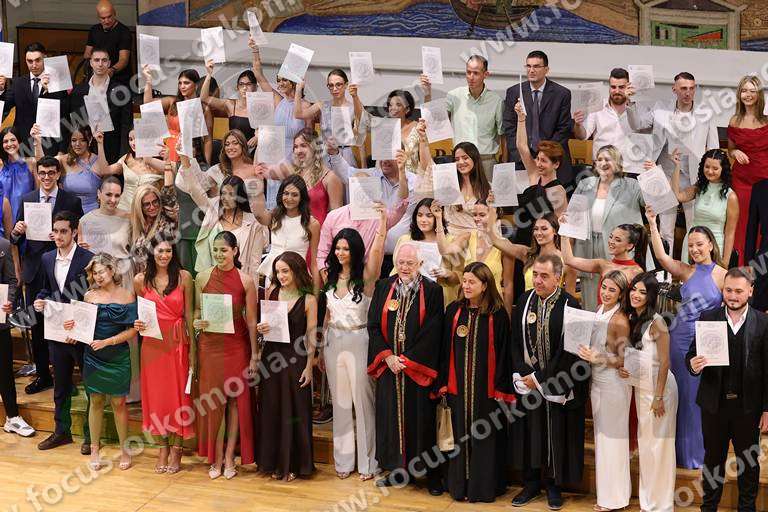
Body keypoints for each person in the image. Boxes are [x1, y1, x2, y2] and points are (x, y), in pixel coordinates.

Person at [646, 207, 725, 469]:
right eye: (690, 245)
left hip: (703, 342)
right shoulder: (686, 271)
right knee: (678, 396)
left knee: (694, 400)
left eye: (699, 244)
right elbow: (661, 256)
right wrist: (652, 223)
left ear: (711, 244)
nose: (694, 249)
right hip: (678, 339)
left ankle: (695, 455)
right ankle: (676, 455)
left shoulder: (722, 275)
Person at [687, 267, 768, 512]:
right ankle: (708, 508)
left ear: (750, 291)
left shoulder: (763, 322)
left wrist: (767, 409)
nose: (733, 296)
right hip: (714, 405)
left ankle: (747, 509)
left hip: (748, 408)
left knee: (748, 463)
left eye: (739, 291)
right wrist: (692, 365)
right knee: (713, 461)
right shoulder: (708, 318)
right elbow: (692, 355)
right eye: (728, 290)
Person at [510, 254, 586, 510]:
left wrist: (540, 378)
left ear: (558, 278)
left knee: (555, 433)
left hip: (555, 383)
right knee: (530, 432)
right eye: (535, 275)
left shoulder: (572, 305)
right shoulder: (524, 300)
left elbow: (570, 351)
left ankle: (554, 486)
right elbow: (515, 341)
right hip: (528, 382)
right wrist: (523, 373)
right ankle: (531, 484)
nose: (538, 280)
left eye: (544, 276)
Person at [367, 243, 444, 494]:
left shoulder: (432, 291)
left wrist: (408, 360)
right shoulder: (383, 287)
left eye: (410, 263)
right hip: (390, 369)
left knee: (421, 421)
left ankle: (430, 476)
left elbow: (433, 331)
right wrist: (388, 356)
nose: (405, 267)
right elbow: (373, 325)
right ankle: (397, 470)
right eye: (401, 263)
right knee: (390, 420)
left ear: (420, 264)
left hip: (416, 370)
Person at [438, 262, 514, 503]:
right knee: (459, 436)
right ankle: (459, 486)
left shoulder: (498, 315)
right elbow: (444, 350)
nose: (466, 286)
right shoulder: (453, 311)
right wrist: (443, 383)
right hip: (457, 389)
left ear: (484, 285)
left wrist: (501, 389)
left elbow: (504, 354)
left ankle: (483, 488)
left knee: (485, 437)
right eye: (464, 281)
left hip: (486, 392)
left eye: (472, 282)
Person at [322, 204, 386, 481]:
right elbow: (326, 315)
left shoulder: (367, 277)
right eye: (338, 248)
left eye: (346, 248)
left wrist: (382, 222)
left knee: (363, 402)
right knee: (340, 403)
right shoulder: (328, 276)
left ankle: (369, 463)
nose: (340, 252)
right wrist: (319, 348)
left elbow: (378, 250)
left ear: (355, 251)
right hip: (332, 340)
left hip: (359, 339)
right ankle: (344, 462)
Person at [11, 157, 84, 396]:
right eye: (42, 173)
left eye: (51, 173)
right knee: (37, 325)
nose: (46, 177)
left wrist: (65, 238)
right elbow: (15, 238)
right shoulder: (27, 199)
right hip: (35, 271)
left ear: (58, 174)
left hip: (64, 270)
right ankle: (43, 375)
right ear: (37, 174)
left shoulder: (71, 200)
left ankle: (66, 378)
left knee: (65, 321)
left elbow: (79, 232)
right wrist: (17, 231)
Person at [626, 71, 719, 253]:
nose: (688, 93)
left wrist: (710, 179)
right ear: (674, 89)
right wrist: (630, 101)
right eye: (683, 88)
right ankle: (664, 268)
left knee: (694, 228)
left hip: (694, 178)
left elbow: (714, 149)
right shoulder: (661, 109)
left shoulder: (706, 114)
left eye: (691, 88)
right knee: (665, 229)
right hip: (666, 175)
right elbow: (637, 124)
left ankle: (693, 266)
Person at [194, 231, 258, 479]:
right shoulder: (202, 277)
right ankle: (216, 456)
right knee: (214, 402)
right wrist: (197, 322)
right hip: (209, 346)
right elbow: (196, 310)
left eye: (224, 250)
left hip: (236, 346)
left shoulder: (246, 281)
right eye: (216, 250)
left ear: (235, 251)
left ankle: (230, 456)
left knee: (234, 401)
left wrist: (254, 355)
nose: (219, 254)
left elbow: (251, 321)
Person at [32, 211, 93, 453]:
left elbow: (92, 298)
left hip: (81, 334)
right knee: (61, 386)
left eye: (63, 231)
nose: (58, 236)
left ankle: (90, 436)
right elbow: (46, 290)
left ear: (74, 232)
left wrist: (78, 329)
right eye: (55, 231)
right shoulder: (47, 258)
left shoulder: (88, 258)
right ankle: (61, 432)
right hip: (57, 331)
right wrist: (39, 301)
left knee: (90, 387)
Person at [134, 235, 195, 474]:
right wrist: (137, 323)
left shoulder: (184, 277)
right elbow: (139, 314)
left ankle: (177, 449)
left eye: (168, 251)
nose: (164, 255)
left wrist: (193, 352)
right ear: (151, 253)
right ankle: (162, 448)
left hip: (178, 344)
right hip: (152, 346)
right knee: (158, 398)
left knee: (178, 397)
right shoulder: (140, 280)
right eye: (160, 251)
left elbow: (189, 315)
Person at [256, 251, 318, 481]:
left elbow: (311, 336)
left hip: (295, 359)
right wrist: (261, 328)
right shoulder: (272, 292)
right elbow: (265, 326)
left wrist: (309, 366)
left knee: (294, 412)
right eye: (278, 271)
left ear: (296, 271)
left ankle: (293, 465)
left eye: (285, 271)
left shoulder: (309, 300)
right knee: (271, 409)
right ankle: (271, 462)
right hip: (271, 357)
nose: (281, 276)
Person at [622, 272, 678, 512]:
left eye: (642, 292)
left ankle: (661, 504)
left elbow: (665, 363)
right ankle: (648, 502)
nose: (636, 294)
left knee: (660, 448)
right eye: (634, 289)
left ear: (651, 296)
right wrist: (625, 370)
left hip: (660, 390)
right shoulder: (632, 318)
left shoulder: (657, 322)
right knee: (646, 446)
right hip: (641, 388)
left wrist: (658, 396)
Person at [576, 271, 631, 511]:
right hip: (597, 382)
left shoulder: (619, 320)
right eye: (604, 287)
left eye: (612, 290)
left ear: (621, 294)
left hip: (614, 385)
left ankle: (614, 498)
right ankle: (609, 495)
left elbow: (623, 359)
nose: (606, 293)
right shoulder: (599, 309)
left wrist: (597, 357)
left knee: (613, 442)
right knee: (603, 441)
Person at [77, 253, 137, 470]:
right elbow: (82, 326)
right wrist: (71, 329)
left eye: (101, 271)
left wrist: (108, 342)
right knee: (95, 401)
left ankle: (125, 450)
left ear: (111, 271)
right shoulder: (89, 296)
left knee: (119, 403)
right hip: (93, 356)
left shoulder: (127, 296)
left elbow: (132, 331)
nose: (98, 276)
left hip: (118, 355)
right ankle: (94, 449)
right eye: (95, 273)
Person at [568, 145, 644, 311]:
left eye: (607, 159)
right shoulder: (585, 184)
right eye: (599, 159)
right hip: (587, 246)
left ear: (617, 163)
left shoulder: (631, 185)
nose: (603, 163)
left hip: (617, 248)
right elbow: (572, 216)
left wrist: (651, 176)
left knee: (616, 296)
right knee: (590, 300)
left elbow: (655, 202)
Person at [316, 151, 409, 274]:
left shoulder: (380, 217)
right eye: (357, 185)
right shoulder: (334, 216)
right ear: (351, 188)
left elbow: (402, 203)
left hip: (369, 277)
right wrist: (328, 278)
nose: (361, 190)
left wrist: (402, 171)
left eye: (366, 187)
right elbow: (322, 253)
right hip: (339, 276)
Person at [178, 152, 265, 277]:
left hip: (239, 281)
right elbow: (194, 189)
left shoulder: (253, 224)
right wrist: (184, 158)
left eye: (231, 194)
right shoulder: (213, 210)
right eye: (223, 193)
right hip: (212, 278)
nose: (225, 198)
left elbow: (254, 264)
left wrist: (250, 289)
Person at [423, 55, 505, 179]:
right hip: (460, 161)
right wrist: (427, 93)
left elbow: (502, 135)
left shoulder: (496, 101)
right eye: (468, 72)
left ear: (486, 74)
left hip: (485, 161)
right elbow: (434, 121)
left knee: (489, 192)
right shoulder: (454, 96)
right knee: (460, 192)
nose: (471, 77)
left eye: (476, 73)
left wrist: (504, 163)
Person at [503, 50, 574, 185]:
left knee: (553, 197)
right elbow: (509, 128)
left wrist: (543, 156)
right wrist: (524, 157)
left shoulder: (562, 94)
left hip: (552, 160)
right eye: (528, 66)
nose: (531, 70)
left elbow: (563, 129)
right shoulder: (514, 92)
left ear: (546, 70)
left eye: (536, 66)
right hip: (522, 161)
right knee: (524, 197)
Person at [434, 200, 514, 313]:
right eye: (474, 215)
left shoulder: (505, 245)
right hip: (468, 304)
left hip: (493, 306)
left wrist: (508, 315)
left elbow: (508, 284)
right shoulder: (467, 237)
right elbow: (445, 250)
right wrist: (438, 219)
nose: (477, 218)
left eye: (482, 215)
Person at [257, 128, 343, 225]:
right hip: (293, 230)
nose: (298, 151)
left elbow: (337, 218)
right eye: (295, 147)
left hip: (319, 232)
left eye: (303, 145)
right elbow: (262, 170)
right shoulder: (292, 174)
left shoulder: (330, 178)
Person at [512, 100, 568, 247]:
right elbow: (521, 146)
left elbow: (560, 227)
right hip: (522, 238)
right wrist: (521, 118)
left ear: (556, 164)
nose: (538, 164)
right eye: (537, 159)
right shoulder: (534, 174)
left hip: (541, 243)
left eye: (544, 161)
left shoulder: (558, 191)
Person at [670, 149, 738, 266]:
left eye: (715, 168)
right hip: (692, 243)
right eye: (707, 167)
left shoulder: (731, 196)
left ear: (723, 170)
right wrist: (676, 167)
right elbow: (679, 196)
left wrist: (725, 262)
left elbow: (730, 233)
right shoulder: (699, 187)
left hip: (715, 246)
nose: (710, 171)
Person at [485, 209, 575, 296]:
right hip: (528, 304)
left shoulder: (566, 261)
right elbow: (495, 240)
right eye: (536, 229)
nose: (538, 233)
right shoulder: (527, 254)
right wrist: (491, 208)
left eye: (544, 229)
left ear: (555, 231)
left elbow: (569, 299)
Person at [0, 43, 68, 156]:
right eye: (30, 61)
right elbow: (3, 108)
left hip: (49, 145)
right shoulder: (18, 83)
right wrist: (1, 91)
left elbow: (64, 116)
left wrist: (62, 150)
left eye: (37, 60)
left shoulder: (57, 82)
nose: (34, 65)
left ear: (45, 58)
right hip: (23, 145)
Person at [728, 75, 768, 264]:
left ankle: (760, 269)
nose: (748, 94)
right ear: (739, 94)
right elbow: (730, 149)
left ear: (759, 95)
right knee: (742, 222)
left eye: (752, 91)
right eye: (744, 90)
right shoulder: (734, 120)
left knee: (762, 226)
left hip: (764, 178)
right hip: (741, 180)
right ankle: (741, 266)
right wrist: (735, 152)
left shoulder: (766, 121)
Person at [391, 197, 462, 304]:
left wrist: (448, 274)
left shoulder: (451, 241)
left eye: (429, 216)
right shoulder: (405, 239)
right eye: (420, 215)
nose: (423, 220)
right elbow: (396, 270)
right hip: (408, 297)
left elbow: (459, 277)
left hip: (438, 299)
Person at [562, 223, 647, 312]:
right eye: (611, 237)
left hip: (620, 318)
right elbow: (569, 260)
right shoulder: (602, 264)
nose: (611, 242)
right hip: (600, 315)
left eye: (617, 240)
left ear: (630, 246)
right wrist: (564, 231)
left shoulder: (636, 271)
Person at [249, 37, 309, 160]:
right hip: (273, 154)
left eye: (284, 80)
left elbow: (309, 136)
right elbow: (258, 75)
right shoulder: (278, 100)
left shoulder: (305, 106)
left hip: (295, 156)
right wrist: (255, 49)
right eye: (278, 80)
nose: (280, 83)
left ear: (294, 82)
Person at [254, 174, 319, 287]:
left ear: (302, 197)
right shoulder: (274, 216)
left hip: (298, 279)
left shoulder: (312, 224)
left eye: (295, 195)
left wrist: (316, 294)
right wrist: (258, 184)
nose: (289, 198)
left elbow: (314, 263)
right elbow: (258, 214)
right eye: (286, 193)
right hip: (273, 277)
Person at [68, 47, 132, 164]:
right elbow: (74, 123)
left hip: (112, 148)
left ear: (109, 63)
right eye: (96, 60)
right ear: (91, 63)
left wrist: (123, 155)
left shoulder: (121, 91)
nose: (100, 64)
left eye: (104, 60)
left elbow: (126, 124)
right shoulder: (78, 91)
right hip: (85, 149)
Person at [0, 234, 35, 438]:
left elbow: (12, 280)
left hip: (0, 321)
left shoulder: (3, 245)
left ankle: (12, 417)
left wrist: (9, 301)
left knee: (4, 370)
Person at [295, 69, 365, 167]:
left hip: (346, 155)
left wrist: (364, 167)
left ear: (346, 85)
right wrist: (298, 90)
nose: (334, 89)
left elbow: (360, 136)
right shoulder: (322, 105)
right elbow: (298, 114)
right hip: (326, 156)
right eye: (331, 85)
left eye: (338, 84)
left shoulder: (353, 107)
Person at [143, 67, 211, 164]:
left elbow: (208, 140)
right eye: (180, 83)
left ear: (196, 85)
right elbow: (148, 104)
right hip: (170, 149)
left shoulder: (203, 108)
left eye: (186, 83)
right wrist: (148, 80)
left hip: (190, 152)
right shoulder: (172, 102)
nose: (182, 86)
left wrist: (207, 165)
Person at [38, 125, 113, 213]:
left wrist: (100, 143)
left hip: (91, 214)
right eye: (74, 140)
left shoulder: (98, 162)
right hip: (67, 214)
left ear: (89, 140)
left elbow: (108, 187)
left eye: (82, 140)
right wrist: (37, 143)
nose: (77, 144)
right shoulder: (62, 160)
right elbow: (42, 165)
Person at [78, 177, 132, 285]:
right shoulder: (85, 221)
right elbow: (81, 254)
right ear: (99, 193)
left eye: (117, 196)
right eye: (109, 194)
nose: (113, 200)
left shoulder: (129, 219)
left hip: (123, 278)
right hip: (97, 280)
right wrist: (81, 249)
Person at [97, 128, 165, 212]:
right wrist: (100, 143)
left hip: (148, 212)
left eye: (137, 138)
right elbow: (104, 170)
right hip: (123, 209)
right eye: (130, 139)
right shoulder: (127, 158)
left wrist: (148, 156)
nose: (133, 143)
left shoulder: (160, 161)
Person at [573, 68, 633, 161]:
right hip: (601, 165)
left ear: (628, 87)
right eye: (613, 87)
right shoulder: (597, 107)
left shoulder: (636, 110)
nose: (617, 91)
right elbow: (582, 136)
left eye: (621, 87)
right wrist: (578, 125)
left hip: (628, 166)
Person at [129, 162, 178, 274]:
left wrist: (167, 163)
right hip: (143, 277)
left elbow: (168, 192)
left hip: (165, 275)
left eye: (155, 202)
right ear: (140, 207)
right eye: (147, 204)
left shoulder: (166, 218)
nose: (152, 207)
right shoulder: (136, 226)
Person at [200, 60, 258, 147]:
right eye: (241, 84)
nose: (244, 88)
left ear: (255, 87)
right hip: (233, 150)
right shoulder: (230, 104)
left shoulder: (261, 107)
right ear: (237, 87)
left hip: (253, 150)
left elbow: (269, 129)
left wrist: (258, 137)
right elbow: (204, 98)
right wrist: (209, 74)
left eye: (248, 84)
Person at [441, 142, 494, 235]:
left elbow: (493, 221)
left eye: (465, 158)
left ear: (475, 159)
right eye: (457, 159)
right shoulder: (448, 186)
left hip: (479, 237)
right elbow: (427, 167)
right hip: (451, 236)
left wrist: (491, 207)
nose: (461, 162)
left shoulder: (489, 188)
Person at [83, 1, 132, 85]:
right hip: (97, 76)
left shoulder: (124, 32)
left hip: (118, 79)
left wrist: (111, 70)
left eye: (109, 17)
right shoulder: (94, 30)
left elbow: (123, 59)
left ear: (114, 13)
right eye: (103, 18)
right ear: (98, 17)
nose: (106, 21)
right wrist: (92, 68)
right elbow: (87, 54)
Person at [0, 126, 40, 226]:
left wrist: (37, 141)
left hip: (27, 220)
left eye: (13, 140)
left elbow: (39, 190)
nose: (9, 144)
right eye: (5, 141)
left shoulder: (31, 163)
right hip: (4, 222)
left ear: (19, 141)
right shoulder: (0, 166)